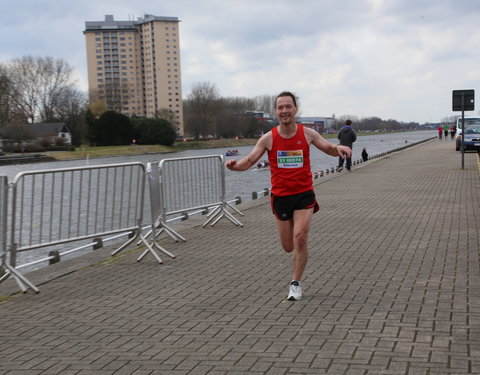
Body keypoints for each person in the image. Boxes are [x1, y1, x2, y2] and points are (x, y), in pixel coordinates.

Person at [225, 91, 351, 301]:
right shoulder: (268, 138)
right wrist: (234, 166)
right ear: (276, 111)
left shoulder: (308, 134)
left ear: (295, 109)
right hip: (281, 197)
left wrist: (339, 147)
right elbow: (250, 160)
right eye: (280, 107)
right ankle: (295, 260)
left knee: (300, 238)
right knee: (288, 246)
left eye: (288, 106)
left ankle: (295, 283)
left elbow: (328, 148)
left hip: (303, 194)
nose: (284, 111)